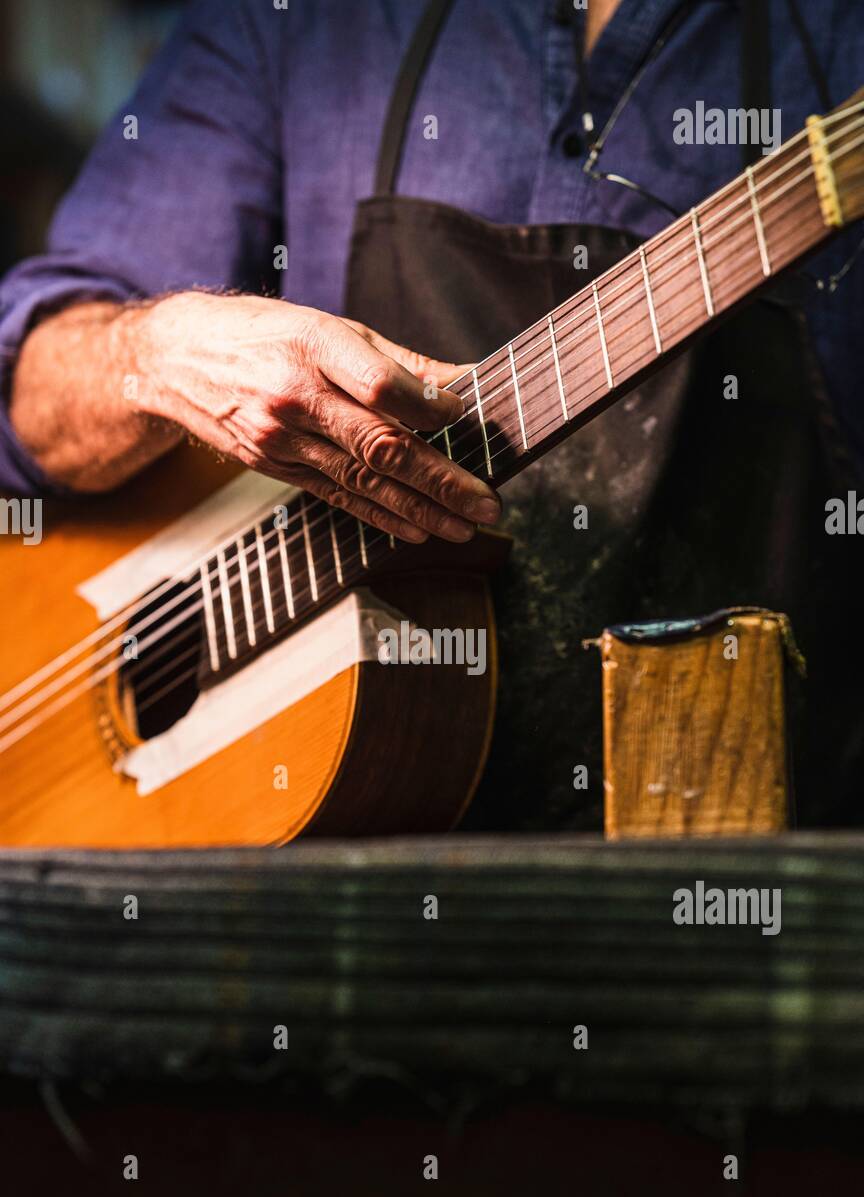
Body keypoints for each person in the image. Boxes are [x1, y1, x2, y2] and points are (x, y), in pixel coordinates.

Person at [1, 0, 862, 829]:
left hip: (736, 863)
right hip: (323, 913)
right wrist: (148, 353)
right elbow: (26, 402)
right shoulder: (292, 19)